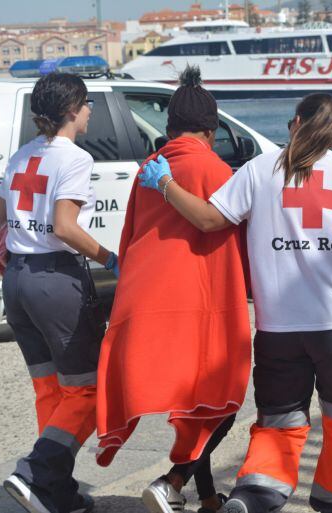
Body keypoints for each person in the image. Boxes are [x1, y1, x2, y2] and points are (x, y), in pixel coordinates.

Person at [140, 93, 332, 513]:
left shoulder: (259, 169)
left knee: (278, 425)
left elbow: (209, 219)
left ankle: (253, 499)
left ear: (294, 123)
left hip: (279, 328)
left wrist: (165, 184)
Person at [95, 66, 252, 513]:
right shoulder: (218, 169)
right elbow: (230, 235)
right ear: (212, 127)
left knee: (196, 405)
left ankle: (203, 498)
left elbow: (129, 235)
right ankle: (171, 482)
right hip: (197, 305)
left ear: (169, 128)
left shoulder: (150, 167)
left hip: (145, 298)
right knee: (219, 402)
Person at [0, 72, 119, 513]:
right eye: (86, 104)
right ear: (70, 111)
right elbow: (65, 227)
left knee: (51, 391)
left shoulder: (22, 155)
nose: (90, 111)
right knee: (87, 390)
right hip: (55, 281)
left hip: (17, 279)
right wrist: (111, 258)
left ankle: (55, 491)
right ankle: (35, 472)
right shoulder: (75, 158)